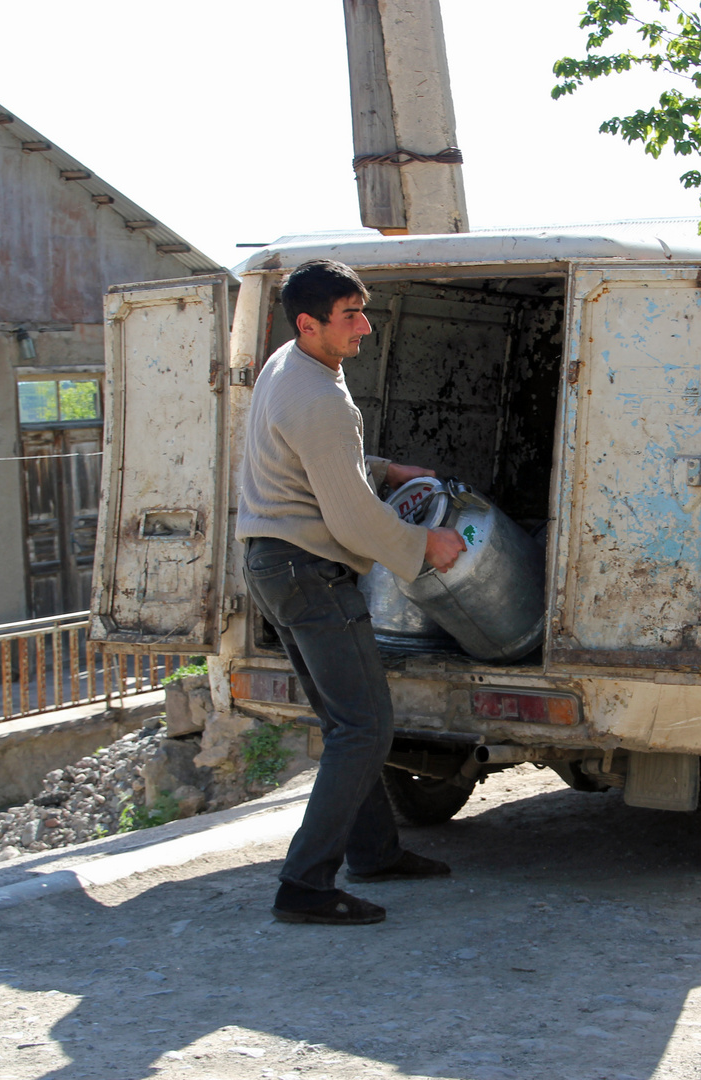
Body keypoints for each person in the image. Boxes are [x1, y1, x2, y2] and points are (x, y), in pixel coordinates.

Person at [238, 259, 467, 926]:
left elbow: (314, 460)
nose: (366, 326)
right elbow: (352, 519)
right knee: (366, 727)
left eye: (363, 310)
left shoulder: (289, 364)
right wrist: (425, 546)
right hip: (307, 570)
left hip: (273, 563)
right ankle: (304, 886)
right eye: (350, 316)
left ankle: (373, 852)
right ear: (309, 324)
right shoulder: (319, 396)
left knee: (348, 726)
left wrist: (386, 467)